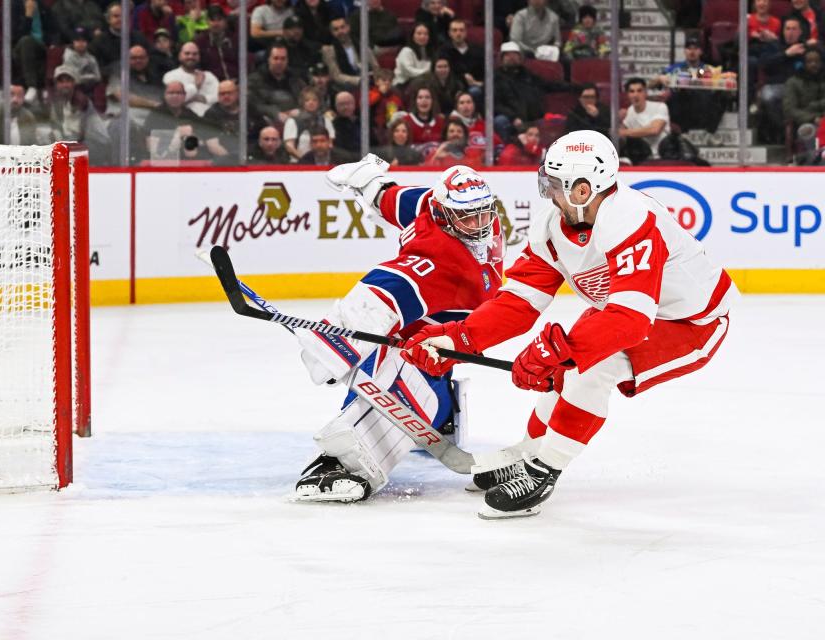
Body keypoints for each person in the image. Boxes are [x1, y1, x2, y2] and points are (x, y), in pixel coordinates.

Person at [401, 130, 737, 519]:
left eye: (554, 184)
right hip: (625, 310)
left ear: (582, 190)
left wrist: (559, 350)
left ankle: (545, 470)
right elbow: (519, 302)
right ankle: (527, 455)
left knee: (593, 367)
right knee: (569, 369)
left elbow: (630, 320)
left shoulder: (630, 218)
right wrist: (458, 338)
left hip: (691, 322)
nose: (547, 192)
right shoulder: (551, 226)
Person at [293, 156, 506, 503]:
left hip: (445, 330)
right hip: (427, 332)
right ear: (444, 214)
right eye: (467, 215)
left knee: (422, 363)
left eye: (483, 211)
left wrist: (369, 181)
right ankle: (342, 461)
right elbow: (385, 290)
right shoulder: (440, 250)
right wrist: (333, 346)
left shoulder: (439, 221)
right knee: (401, 362)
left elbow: (392, 199)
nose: (479, 223)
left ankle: (424, 423)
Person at [660, 36, 728, 133]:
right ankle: (681, 129)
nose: (692, 52)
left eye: (695, 48)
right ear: (684, 51)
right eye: (689, 48)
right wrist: (660, 78)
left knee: (721, 95)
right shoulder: (675, 68)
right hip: (682, 110)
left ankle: (710, 129)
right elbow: (653, 83)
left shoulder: (706, 69)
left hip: (702, 108)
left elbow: (704, 78)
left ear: (700, 51)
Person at [248, 42, 306, 129]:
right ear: (268, 59)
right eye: (276, 58)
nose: (279, 62)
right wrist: (275, 113)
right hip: (265, 123)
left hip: (295, 121)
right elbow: (253, 104)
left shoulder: (295, 78)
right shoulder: (255, 79)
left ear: (287, 60)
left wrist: (299, 110)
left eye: (283, 59)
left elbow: (306, 97)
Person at [12, 0, 58, 104]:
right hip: (20, 46)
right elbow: (15, 35)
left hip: (42, 45)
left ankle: (50, 88)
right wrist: (28, 16)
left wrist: (53, 43)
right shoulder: (14, 6)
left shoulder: (43, 7)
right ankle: (31, 86)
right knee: (26, 41)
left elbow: (54, 30)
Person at [322, 16, 380, 92]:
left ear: (348, 27)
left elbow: (375, 66)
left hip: (368, 79)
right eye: (336, 29)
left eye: (342, 27)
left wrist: (376, 78)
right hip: (346, 85)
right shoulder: (328, 50)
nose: (340, 31)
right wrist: (359, 80)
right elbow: (336, 76)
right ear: (332, 33)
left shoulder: (360, 44)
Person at [618, 77, 669, 162]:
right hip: (641, 158)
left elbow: (654, 130)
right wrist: (618, 121)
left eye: (639, 91)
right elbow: (621, 136)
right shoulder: (629, 111)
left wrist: (623, 132)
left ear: (645, 93)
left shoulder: (660, 107)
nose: (635, 95)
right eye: (632, 91)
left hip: (662, 157)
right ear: (627, 95)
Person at [163, 41, 219, 117]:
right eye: (187, 53)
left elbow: (219, 97)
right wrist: (196, 85)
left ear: (199, 57)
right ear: (180, 56)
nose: (191, 57)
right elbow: (176, 101)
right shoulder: (170, 76)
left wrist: (202, 98)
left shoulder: (209, 75)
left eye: (195, 54)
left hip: (211, 119)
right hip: (184, 119)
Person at [283, 87, 336, 161]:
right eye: (307, 100)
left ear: (319, 102)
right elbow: (289, 147)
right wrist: (305, 161)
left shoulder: (326, 121)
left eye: (314, 100)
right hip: (298, 163)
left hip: (322, 163)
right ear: (302, 103)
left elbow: (330, 143)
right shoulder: (292, 121)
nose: (311, 102)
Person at [437, 19, 484, 100]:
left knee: (476, 91)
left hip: (474, 86)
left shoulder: (477, 50)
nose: (458, 33)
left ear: (466, 33)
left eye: (461, 30)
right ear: (449, 33)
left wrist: (478, 83)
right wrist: (463, 77)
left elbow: (484, 71)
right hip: (451, 87)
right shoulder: (443, 51)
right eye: (454, 30)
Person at [783, 48, 825, 130]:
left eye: (817, 61)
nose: (814, 64)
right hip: (806, 122)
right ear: (803, 64)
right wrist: (813, 118)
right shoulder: (793, 82)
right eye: (809, 62)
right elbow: (790, 110)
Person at [193, 5, 238, 81]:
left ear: (225, 21)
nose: (216, 23)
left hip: (236, 82)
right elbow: (197, 67)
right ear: (207, 22)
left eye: (219, 19)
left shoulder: (234, 39)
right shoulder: (200, 42)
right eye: (212, 20)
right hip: (212, 85)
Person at [403, 85, 445, 149]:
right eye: (420, 97)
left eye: (427, 97)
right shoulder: (406, 121)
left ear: (433, 101)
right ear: (415, 101)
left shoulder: (440, 121)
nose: (424, 100)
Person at [63, 27, 102, 94]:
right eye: (78, 41)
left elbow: (98, 77)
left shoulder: (91, 58)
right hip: (73, 90)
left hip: (90, 88)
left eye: (83, 41)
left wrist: (85, 78)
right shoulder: (68, 56)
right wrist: (91, 77)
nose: (81, 43)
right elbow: (74, 79)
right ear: (73, 42)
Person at [395, 23, 434, 88]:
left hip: (424, 81)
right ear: (412, 35)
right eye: (419, 34)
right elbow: (409, 72)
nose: (422, 36)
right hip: (404, 84)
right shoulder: (406, 51)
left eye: (425, 34)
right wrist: (428, 71)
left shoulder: (430, 51)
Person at [282, 16, 321, 80]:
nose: (297, 31)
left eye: (299, 28)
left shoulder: (309, 47)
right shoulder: (278, 49)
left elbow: (316, 66)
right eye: (292, 28)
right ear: (284, 31)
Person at [331, 91, 360, 157]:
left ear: (354, 104)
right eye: (341, 104)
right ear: (336, 106)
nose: (345, 107)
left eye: (348, 103)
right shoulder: (333, 125)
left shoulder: (362, 122)